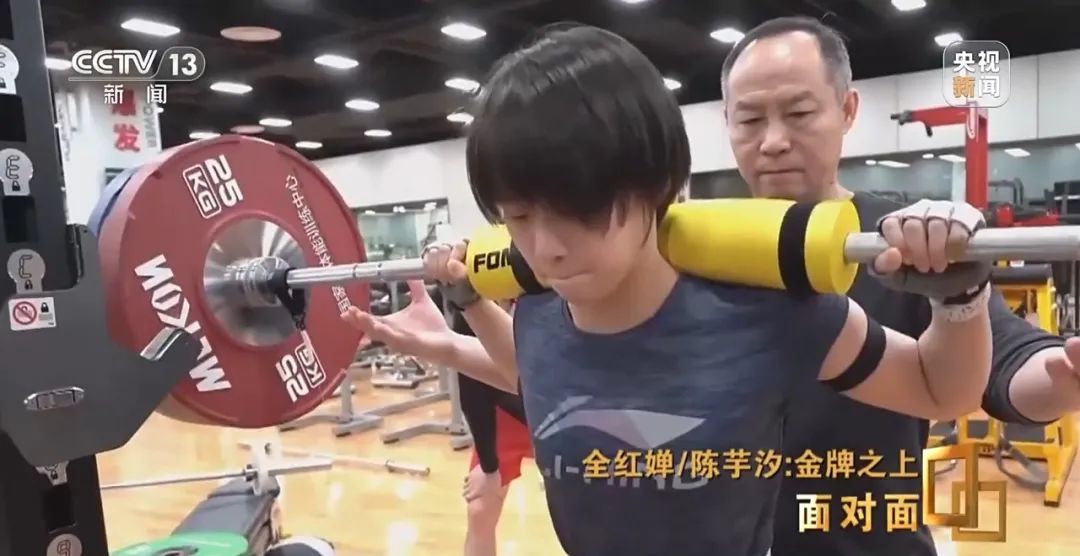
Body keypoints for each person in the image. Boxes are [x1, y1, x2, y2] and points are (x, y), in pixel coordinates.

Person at [342, 24, 995, 555]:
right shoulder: (541, 310)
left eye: (576, 210)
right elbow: (543, 377)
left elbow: (941, 389)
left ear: (655, 184)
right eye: (518, 216)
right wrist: (458, 320)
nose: (546, 247)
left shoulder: (769, 311)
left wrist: (957, 296)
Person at [718, 16, 1080, 556]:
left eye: (798, 113)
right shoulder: (698, 252)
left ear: (847, 111)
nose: (772, 142)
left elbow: (1008, 362)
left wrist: (1064, 379)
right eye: (749, 119)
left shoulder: (904, 242)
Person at [453, 304, 532, 556]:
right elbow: (472, 386)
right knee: (479, 510)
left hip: (563, 411)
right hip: (508, 414)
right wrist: (489, 467)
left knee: (591, 511)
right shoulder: (470, 300)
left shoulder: (552, 297)